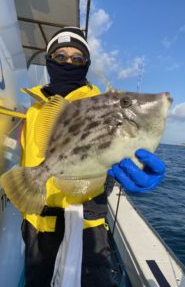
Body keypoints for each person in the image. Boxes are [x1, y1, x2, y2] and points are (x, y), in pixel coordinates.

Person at [20, 27, 165, 287]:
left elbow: (108, 152)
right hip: (37, 225)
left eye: (78, 59)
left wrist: (136, 166)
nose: (69, 62)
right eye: (60, 56)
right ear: (49, 60)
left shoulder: (101, 103)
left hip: (87, 224)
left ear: (86, 65)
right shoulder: (32, 111)